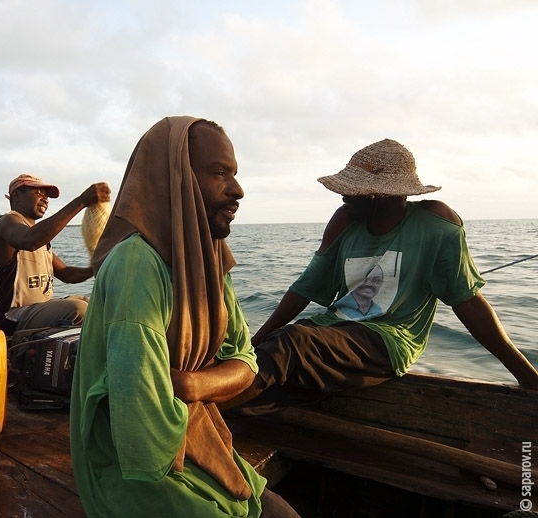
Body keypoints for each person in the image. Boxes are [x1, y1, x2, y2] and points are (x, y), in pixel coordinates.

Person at [69, 116, 300, 518]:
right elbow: (143, 427)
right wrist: (211, 383)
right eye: (218, 173)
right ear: (172, 179)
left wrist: (190, 383)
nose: (237, 190)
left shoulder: (208, 260)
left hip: (193, 434)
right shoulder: (136, 265)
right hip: (132, 467)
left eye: (235, 174)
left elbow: (246, 361)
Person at [225, 138, 538, 413]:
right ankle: (217, 412)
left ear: (378, 196)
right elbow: (304, 289)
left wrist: (525, 374)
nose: (344, 199)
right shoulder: (344, 222)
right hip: (333, 330)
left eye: (352, 193)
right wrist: (252, 345)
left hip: (388, 341)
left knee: (291, 343)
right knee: (269, 349)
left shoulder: (436, 224)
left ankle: (199, 415)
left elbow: (467, 302)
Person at [0, 173, 110, 335]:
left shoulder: (38, 237)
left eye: (46, 196)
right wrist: (81, 201)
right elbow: (31, 240)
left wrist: (96, 266)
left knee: (95, 303)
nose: (45, 199)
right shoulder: (8, 222)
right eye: (38, 193)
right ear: (16, 196)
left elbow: (66, 273)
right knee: (79, 309)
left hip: (38, 310)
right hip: (11, 318)